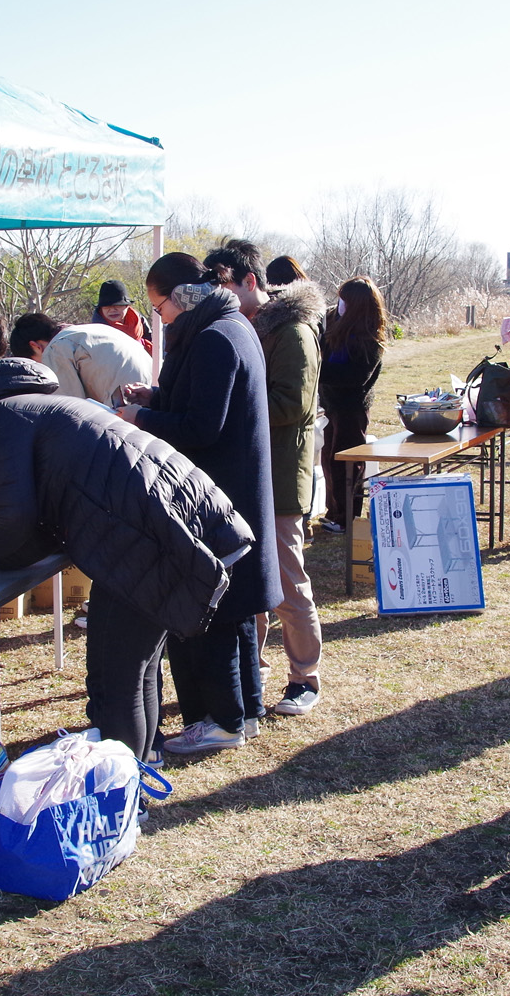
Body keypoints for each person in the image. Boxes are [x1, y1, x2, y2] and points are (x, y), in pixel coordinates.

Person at [0, 360, 254, 764]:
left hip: (154, 536)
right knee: (136, 668)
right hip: (173, 526)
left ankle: (125, 791)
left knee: (117, 677)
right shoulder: (25, 408)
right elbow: (37, 530)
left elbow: (17, 519)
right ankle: (141, 766)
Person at [116, 252, 282, 755]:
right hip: (232, 490)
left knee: (210, 609)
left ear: (181, 298)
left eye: (159, 306)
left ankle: (222, 720)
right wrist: (154, 399)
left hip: (216, 495)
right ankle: (245, 712)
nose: (159, 319)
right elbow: (198, 404)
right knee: (233, 611)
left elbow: (202, 427)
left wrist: (138, 420)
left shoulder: (213, 338)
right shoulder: (230, 326)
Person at [205, 240, 327, 717]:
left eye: (225, 284)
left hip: (278, 475)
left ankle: (305, 678)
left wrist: (230, 409)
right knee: (250, 580)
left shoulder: (292, 331)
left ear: (249, 282)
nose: (220, 294)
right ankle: (250, 669)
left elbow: (293, 405)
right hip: (250, 474)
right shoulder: (247, 327)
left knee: (288, 582)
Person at [318, 277, 387, 535]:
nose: (339, 304)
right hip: (331, 405)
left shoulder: (369, 338)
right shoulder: (334, 324)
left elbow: (355, 377)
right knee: (329, 459)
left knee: (347, 463)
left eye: (345, 300)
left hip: (352, 408)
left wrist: (317, 372)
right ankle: (334, 511)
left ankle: (348, 517)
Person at [9, 311, 152, 405]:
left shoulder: (55, 349)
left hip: (130, 409)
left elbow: (73, 409)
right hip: (153, 396)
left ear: (35, 346)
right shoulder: (91, 329)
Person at [92, 279, 153, 355]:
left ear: (127, 306)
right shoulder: (94, 334)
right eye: (107, 306)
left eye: (118, 305)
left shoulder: (140, 323)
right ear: (101, 308)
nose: (112, 310)